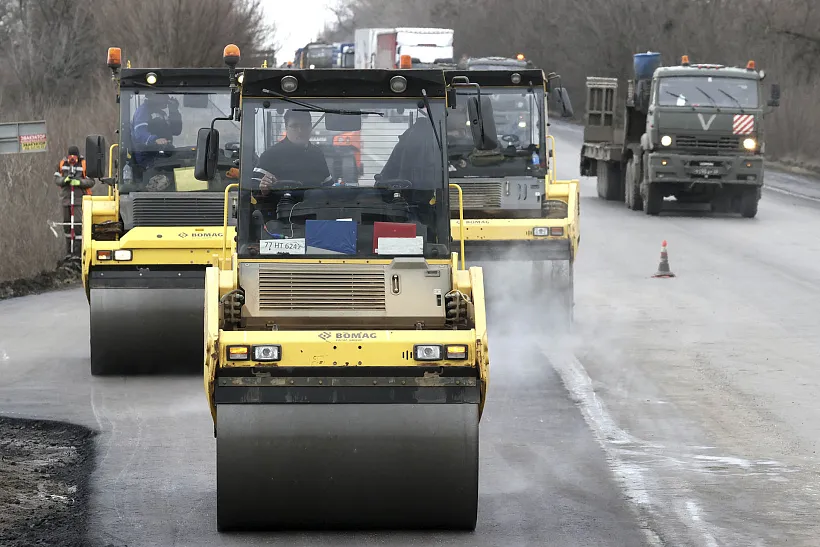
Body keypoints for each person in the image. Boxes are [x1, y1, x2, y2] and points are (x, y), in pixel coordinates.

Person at [254, 109, 332, 195]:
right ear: (286, 128)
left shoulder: (317, 154)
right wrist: (263, 188)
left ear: (310, 127)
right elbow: (253, 192)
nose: (300, 130)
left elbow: (329, 188)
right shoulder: (270, 155)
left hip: (313, 206)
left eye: (304, 125)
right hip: (280, 207)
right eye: (294, 126)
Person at [54, 146, 95, 257]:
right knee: (67, 224)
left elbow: (91, 181)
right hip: (66, 198)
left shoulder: (84, 164)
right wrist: (64, 180)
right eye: (70, 156)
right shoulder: (62, 164)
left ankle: (78, 251)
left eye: (74, 157)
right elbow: (57, 179)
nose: (72, 159)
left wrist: (79, 182)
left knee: (77, 223)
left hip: (79, 198)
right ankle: (69, 251)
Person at [131, 92, 183, 168]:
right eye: (165, 96)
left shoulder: (161, 113)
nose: (168, 98)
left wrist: (173, 111)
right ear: (155, 97)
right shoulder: (142, 111)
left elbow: (176, 131)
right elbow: (139, 133)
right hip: (148, 159)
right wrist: (155, 140)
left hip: (163, 155)